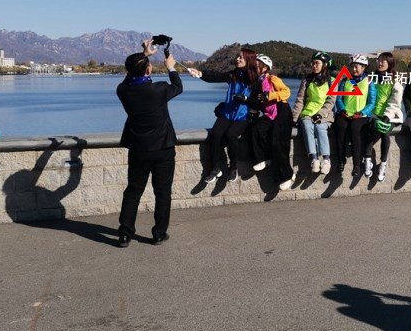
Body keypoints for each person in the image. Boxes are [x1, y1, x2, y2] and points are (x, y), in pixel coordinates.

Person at [115, 39, 184, 248]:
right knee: (162, 192)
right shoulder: (159, 90)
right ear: (147, 70)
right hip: (163, 148)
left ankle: (125, 233)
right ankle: (159, 234)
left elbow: (130, 77)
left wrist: (143, 56)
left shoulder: (123, 91)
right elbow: (178, 87)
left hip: (138, 148)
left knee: (133, 191)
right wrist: (171, 67)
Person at [188, 48, 259, 183]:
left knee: (231, 134)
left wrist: (245, 99)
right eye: (238, 57)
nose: (237, 59)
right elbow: (214, 77)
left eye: (241, 57)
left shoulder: (255, 80)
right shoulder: (233, 74)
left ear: (248, 60)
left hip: (242, 116)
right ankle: (215, 169)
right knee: (215, 134)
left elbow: (258, 102)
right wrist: (199, 74)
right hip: (227, 113)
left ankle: (233, 167)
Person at [249, 54, 294, 190]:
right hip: (269, 114)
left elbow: (287, 92)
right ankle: (263, 158)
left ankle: (288, 176)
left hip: (282, 111)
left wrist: (270, 95)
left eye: (257, 66)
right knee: (256, 128)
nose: (254, 68)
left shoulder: (273, 79)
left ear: (265, 68)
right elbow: (256, 102)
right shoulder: (257, 83)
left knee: (278, 142)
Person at [291, 51, 335, 175]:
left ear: (325, 65)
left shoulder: (332, 81)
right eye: (313, 63)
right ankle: (314, 158)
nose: (314, 66)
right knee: (307, 126)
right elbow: (300, 100)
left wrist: (320, 113)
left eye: (317, 63)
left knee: (320, 128)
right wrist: (294, 118)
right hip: (308, 113)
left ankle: (326, 159)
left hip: (324, 115)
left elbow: (331, 101)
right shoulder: (307, 80)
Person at [363, 52, 405, 181]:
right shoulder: (372, 77)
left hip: (390, 114)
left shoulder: (395, 80)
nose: (380, 63)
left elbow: (395, 102)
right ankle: (368, 160)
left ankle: (383, 164)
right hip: (373, 113)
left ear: (389, 63)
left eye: (383, 61)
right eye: (379, 60)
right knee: (369, 129)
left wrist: (387, 116)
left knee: (385, 132)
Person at [333, 53, 377, 178]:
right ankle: (341, 161)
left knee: (355, 129)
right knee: (340, 126)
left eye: (357, 66)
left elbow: (372, 101)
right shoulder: (345, 80)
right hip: (345, 113)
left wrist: (362, 112)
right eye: (352, 66)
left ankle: (357, 165)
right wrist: (342, 110)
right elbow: (339, 98)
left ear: (363, 67)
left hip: (361, 115)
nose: (354, 69)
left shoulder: (368, 81)